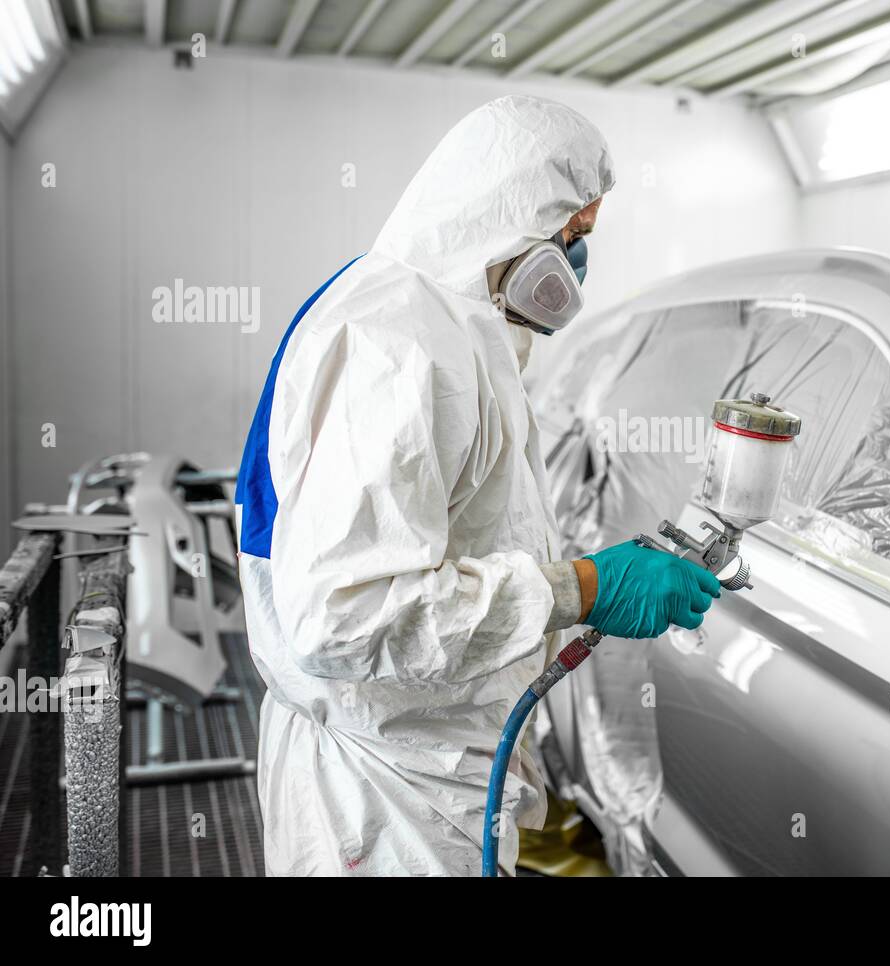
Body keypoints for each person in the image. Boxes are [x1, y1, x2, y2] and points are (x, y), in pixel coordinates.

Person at [234, 94, 720, 876]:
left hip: (426, 762)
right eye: (573, 236)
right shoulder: (396, 343)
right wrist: (583, 589)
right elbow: (343, 617)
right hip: (379, 801)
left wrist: (580, 580)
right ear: (511, 215)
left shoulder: (452, 323)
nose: (577, 263)